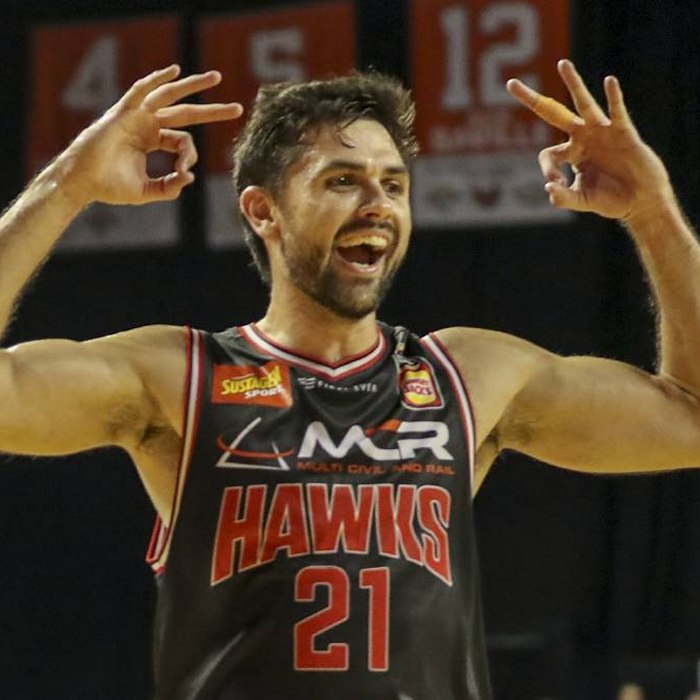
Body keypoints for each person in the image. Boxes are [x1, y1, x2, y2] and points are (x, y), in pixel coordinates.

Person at [1, 59, 700, 700]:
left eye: (393, 185)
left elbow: (690, 418)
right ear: (263, 211)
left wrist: (653, 213)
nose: (377, 204)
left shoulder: (468, 376)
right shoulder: (181, 375)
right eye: (342, 181)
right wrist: (69, 184)